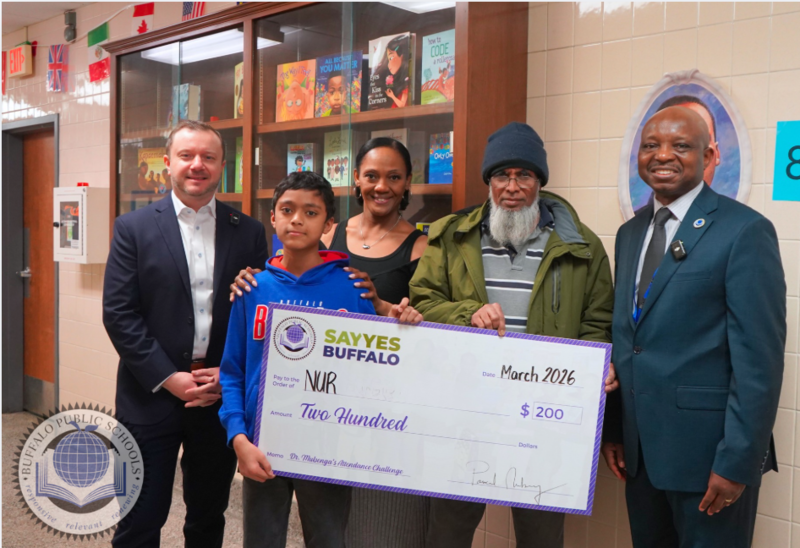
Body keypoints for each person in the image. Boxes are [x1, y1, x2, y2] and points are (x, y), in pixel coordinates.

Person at [409, 121, 616, 548]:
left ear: (540, 181)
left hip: (544, 418)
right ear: (489, 181)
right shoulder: (451, 237)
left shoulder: (583, 247)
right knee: (447, 531)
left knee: (540, 535)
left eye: (525, 175)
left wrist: (595, 367)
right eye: (502, 175)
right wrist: (468, 314)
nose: (513, 186)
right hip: (465, 413)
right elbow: (423, 303)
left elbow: (597, 324)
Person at [601, 106, 786, 548]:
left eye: (681, 145)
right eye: (651, 145)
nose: (663, 155)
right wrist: (614, 430)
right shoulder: (630, 233)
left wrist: (738, 463)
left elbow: (759, 361)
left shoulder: (745, 231)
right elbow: (629, 339)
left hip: (710, 462)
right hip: (641, 457)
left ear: (708, 155)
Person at [231, 137, 429, 547]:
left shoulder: (352, 290)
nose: (297, 221)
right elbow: (234, 371)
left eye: (311, 212)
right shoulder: (253, 289)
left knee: (327, 538)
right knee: (261, 539)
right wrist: (238, 438)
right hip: (262, 443)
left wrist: (403, 320)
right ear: (273, 218)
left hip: (328, 448)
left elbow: (372, 369)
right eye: (287, 210)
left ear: (328, 225)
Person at [103, 120, 270, 548]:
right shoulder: (133, 228)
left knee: (208, 517)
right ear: (167, 163)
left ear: (222, 166)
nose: (197, 165)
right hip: (150, 395)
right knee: (139, 517)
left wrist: (229, 372)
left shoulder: (248, 231)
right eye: (187, 156)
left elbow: (258, 316)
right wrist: (168, 377)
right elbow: (120, 314)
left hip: (217, 396)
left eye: (208, 157)